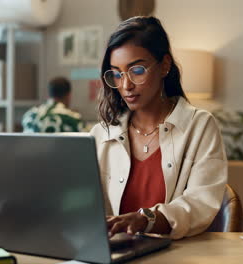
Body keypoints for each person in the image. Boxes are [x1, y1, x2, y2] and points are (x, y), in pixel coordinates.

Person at [90, 16, 227, 240]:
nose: (126, 85)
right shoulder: (101, 134)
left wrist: (147, 220)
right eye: (117, 73)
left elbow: (200, 203)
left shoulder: (200, 126)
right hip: (114, 255)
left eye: (137, 70)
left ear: (164, 65)